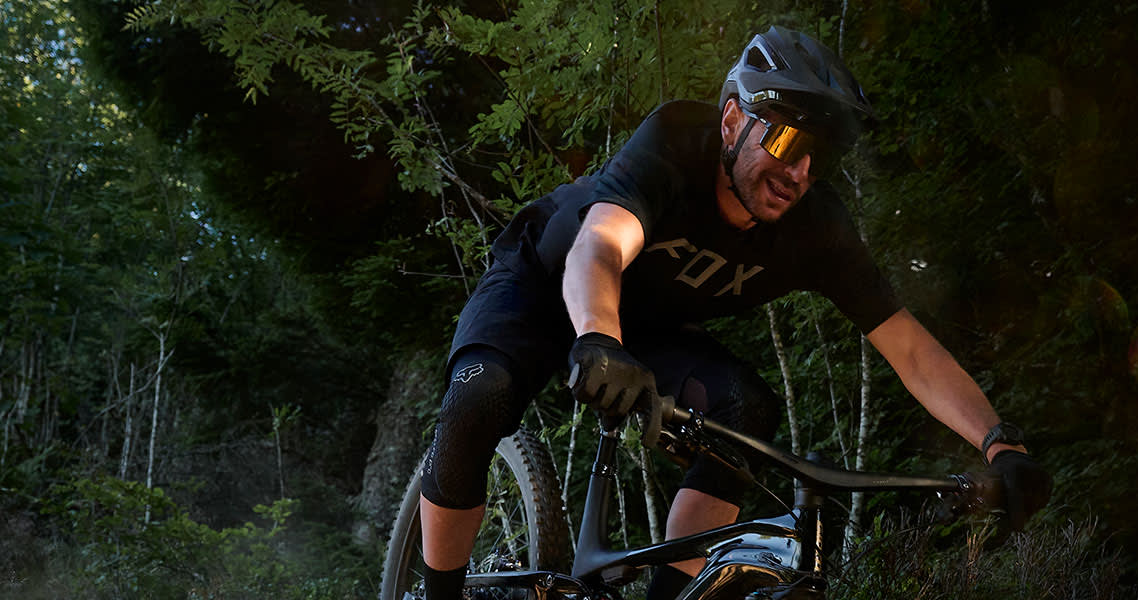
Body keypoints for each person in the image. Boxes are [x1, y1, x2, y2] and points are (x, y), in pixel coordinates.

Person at [415, 26, 1051, 600]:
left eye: (820, 157)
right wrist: (600, 337)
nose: (799, 172)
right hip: (542, 283)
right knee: (481, 395)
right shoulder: (674, 142)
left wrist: (1000, 443)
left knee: (747, 411)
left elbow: (908, 346)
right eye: (787, 138)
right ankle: (436, 592)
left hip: (646, 331)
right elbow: (601, 246)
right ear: (730, 121)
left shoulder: (816, 229)